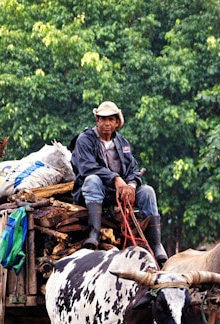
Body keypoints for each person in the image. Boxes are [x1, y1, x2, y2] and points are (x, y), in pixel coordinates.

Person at [70, 101, 167, 264]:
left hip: (118, 193)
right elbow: (87, 167)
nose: (107, 123)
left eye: (111, 119)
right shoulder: (84, 139)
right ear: (97, 120)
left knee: (148, 191)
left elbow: (133, 169)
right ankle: (94, 234)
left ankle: (156, 245)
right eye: (103, 119)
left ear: (117, 122)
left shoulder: (123, 143)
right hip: (94, 192)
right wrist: (115, 179)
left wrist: (131, 185)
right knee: (92, 180)